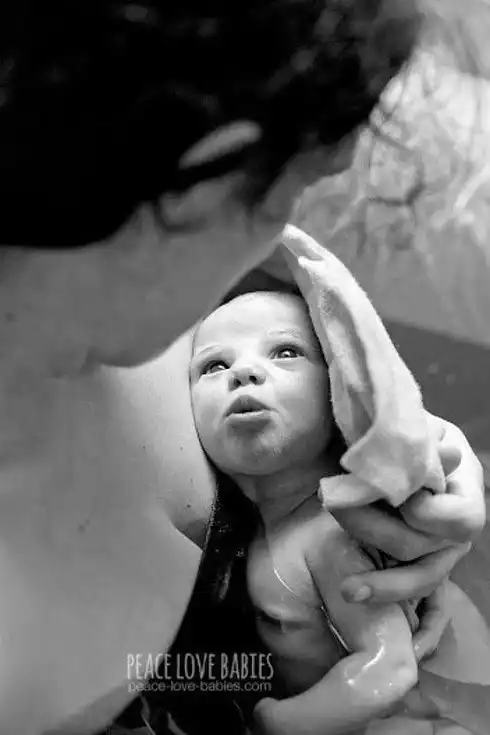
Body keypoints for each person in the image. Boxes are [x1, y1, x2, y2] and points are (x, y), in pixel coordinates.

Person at [0, 2, 484, 734]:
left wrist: (412, 450)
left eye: (285, 353)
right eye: (289, 193)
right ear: (201, 181)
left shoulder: (176, 295)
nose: (285, 230)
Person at [190, 289, 446, 735]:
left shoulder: (332, 533)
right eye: (214, 366)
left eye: (286, 352)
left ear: (339, 391)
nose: (244, 371)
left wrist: (277, 722)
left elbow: (389, 667)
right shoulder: (255, 526)